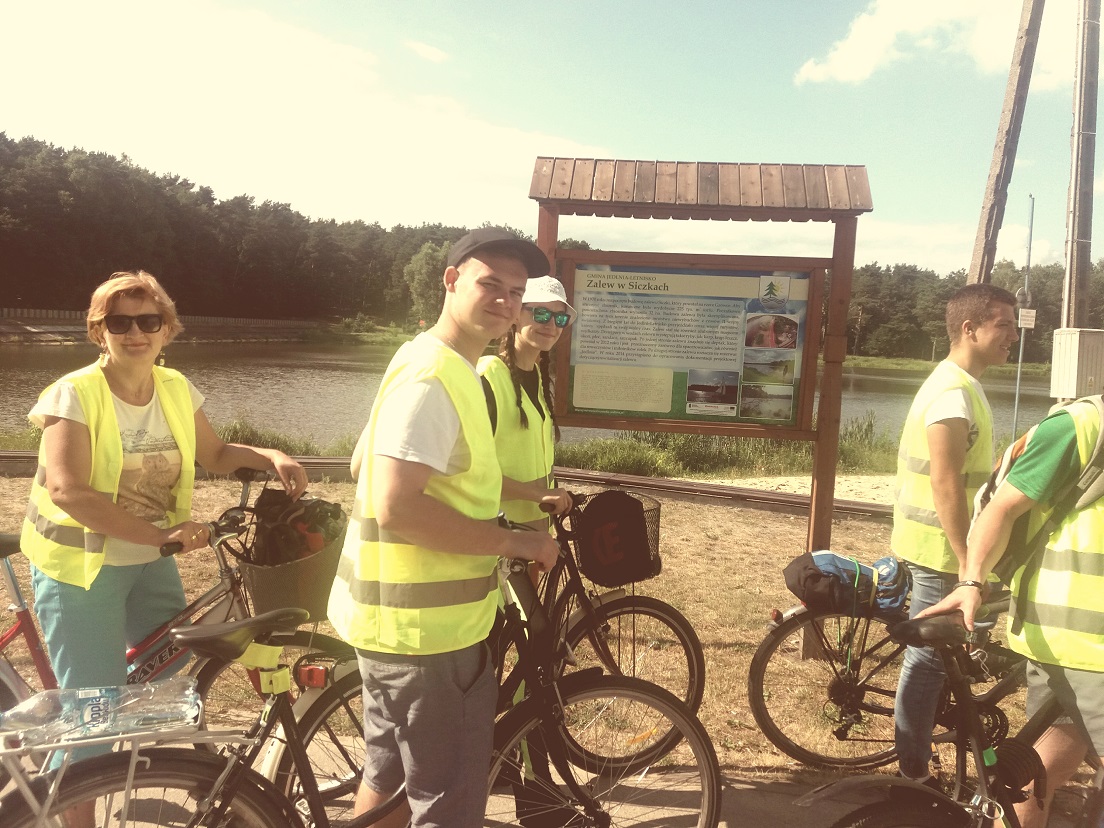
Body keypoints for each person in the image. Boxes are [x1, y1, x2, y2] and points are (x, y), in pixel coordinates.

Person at [21, 270, 306, 827]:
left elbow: (215, 453)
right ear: (98, 330)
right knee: (93, 719)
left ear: (167, 329)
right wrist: (159, 536)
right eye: (119, 322)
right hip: (83, 568)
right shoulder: (73, 393)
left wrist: (269, 455)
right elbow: (67, 490)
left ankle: (102, 745)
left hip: (149, 562)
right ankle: (68, 802)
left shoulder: (174, 387)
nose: (135, 333)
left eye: (148, 321)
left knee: (168, 673)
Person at [327, 228, 560, 828]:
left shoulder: (426, 360)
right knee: (447, 801)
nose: (505, 301)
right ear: (451, 280)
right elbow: (397, 506)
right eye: (490, 284)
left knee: (388, 783)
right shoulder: (435, 377)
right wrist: (515, 540)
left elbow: (360, 463)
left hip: (393, 628)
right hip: (427, 638)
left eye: (516, 291)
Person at [920, 395, 1104, 827]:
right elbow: (1003, 507)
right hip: (1081, 644)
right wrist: (971, 581)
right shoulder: (1081, 426)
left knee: (1043, 768)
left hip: (1076, 643)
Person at [891, 283, 1019, 785]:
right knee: (927, 662)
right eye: (1003, 325)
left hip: (940, 546)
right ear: (969, 329)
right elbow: (945, 482)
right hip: (941, 552)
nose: (1013, 336)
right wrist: (969, 563)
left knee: (939, 661)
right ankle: (913, 777)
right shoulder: (951, 393)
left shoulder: (962, 384)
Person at [477, 274, 577, 532]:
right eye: (541, 314)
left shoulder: (538, 379)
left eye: (560, 318)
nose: (551, 325)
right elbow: (468, 473)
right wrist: (538, 494)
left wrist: (552, 494)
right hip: (495, 536)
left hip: (533, 537)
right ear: (515, 315)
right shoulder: (488, 377)